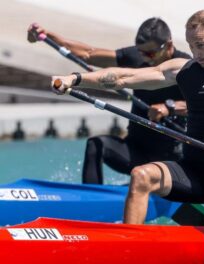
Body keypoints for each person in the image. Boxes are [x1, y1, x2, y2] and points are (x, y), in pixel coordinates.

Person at [51, 10, 204, 226]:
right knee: (142, 176)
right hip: (192, 171)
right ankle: (128, 246)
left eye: (201, 45)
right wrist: (76, 78)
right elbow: (124, 78)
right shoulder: (185, 69)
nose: (195, 53)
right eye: (191, 45)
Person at [28, 18, 191, 184]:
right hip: (136, 150)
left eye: (149, 54)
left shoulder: (186, 67)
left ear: (168, 45)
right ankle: (92, 200)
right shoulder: (138, 57)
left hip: (170, 159)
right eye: (140, 52)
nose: (144, 58)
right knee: (96, 144)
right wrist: (48, 35)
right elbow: (88, 54)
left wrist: (169, 107)